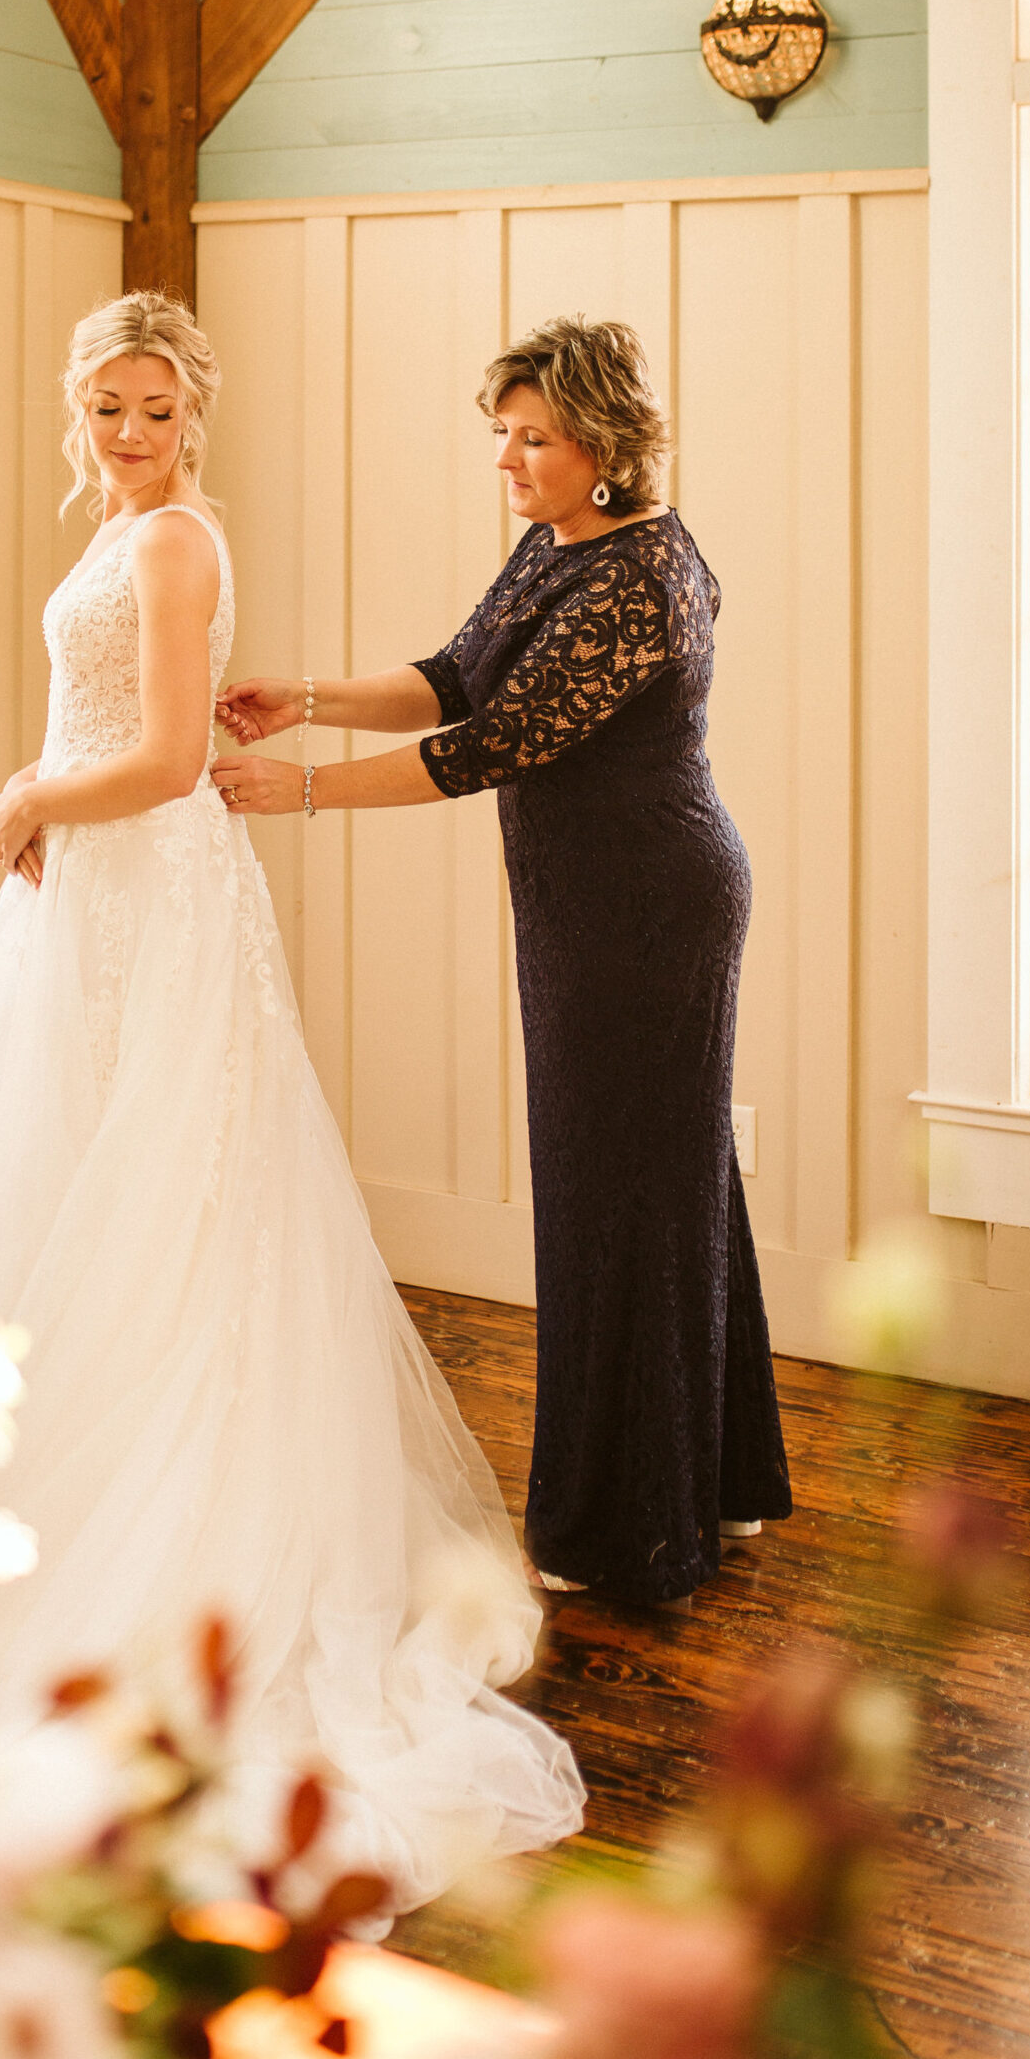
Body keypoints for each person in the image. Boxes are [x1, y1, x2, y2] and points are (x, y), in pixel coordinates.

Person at [0, 290, 584, 1913]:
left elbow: (174, 755)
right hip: (88, 900)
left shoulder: (176, 546)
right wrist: (48, 802)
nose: (129, 434)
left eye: (155, 410)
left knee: (177, 1195)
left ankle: (174, 1532)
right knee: (70, 1182)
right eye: (107, 407)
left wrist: (33, 789)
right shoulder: (117, 534)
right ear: (81, 410)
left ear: (195, 417)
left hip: (158, 890)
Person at [215, 316, 791, 1613]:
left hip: (646, 907)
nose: (508, 458)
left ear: (605, 443)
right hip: (590, 902)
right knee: (664, 1174)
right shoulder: (560, 545)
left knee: (615, 1190)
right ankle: (719, 1476)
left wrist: (294, 792)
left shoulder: (642, 575)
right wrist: (305, 695)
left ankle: (620, 1529)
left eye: (534, 437)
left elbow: (488, 748)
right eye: (503, 433)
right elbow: (458, 679)